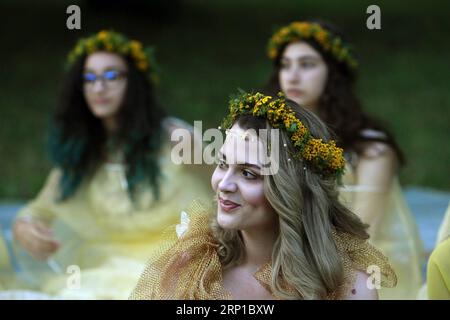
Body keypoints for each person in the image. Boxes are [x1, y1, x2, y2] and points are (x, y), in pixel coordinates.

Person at [130, 92, 397, 300]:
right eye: (223, 164)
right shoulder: (194, 268)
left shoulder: (351, 287)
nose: (224, 184)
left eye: (248, 174)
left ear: (291, 189)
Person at [12, 30, 212, 299]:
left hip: (171, 271)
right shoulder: (85, 151)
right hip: (102, 273)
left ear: (135, 82)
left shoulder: (176, 139)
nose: (99, 87)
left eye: (111, 76)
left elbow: (223, 191)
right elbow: (38, 210)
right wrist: (24, 226)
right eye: (89, 78)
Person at [264, 21, 423, 299]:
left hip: (359, 263)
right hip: (283, 254)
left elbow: (362, 233)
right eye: (286, 65)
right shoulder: (268, 137)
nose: (292, 76)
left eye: (307, 64)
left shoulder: (370, 147)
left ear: (334, 74)